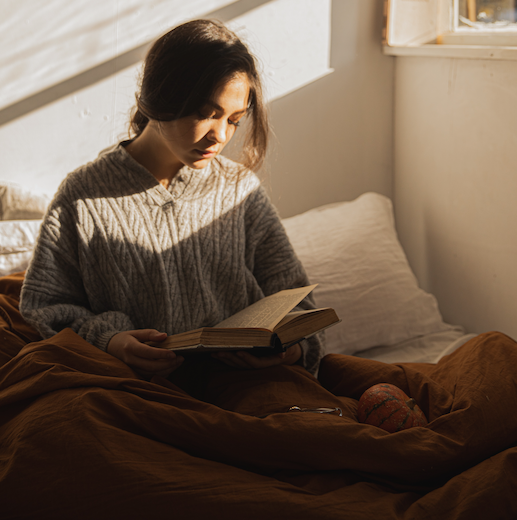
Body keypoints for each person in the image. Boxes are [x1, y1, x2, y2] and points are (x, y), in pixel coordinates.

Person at [20, 19, 324, 381]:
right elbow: (46, 306)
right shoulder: (84, 195)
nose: (220, 135)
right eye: (207, 114)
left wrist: (289, 350)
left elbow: (298, 304)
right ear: (160, 98)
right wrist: (111, 341)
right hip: (131, 390)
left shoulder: (239, 189)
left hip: (243, 385)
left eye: (234, 120)